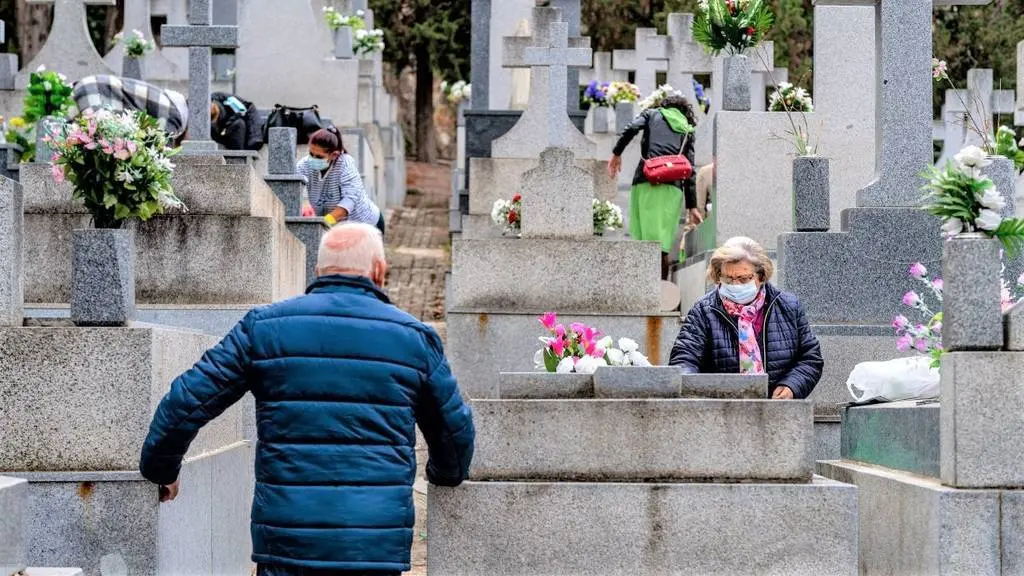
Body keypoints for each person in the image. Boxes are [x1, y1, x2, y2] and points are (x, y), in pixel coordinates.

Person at [139, 222, 475, 576]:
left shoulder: (263, 327)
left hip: (286, 542)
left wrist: (161, 468)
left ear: (317, 272)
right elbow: (455, 433)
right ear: (379, 270)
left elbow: (187, 399)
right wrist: (445, 474)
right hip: (371, 544)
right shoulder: (414, 339)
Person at [669, 236, 823, 400]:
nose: (735, 285)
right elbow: (684, 360)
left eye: (743, 279)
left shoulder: (788, 306)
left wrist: (792, 386)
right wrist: (695, 390)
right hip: (721, 410)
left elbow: (810, 358)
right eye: (727, 278)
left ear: (761, 276)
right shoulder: (703, 311)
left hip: (776, 409)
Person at [608, 93, 701, 280]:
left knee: (644, 241)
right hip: (673, 189)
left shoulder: (651, 114)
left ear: (664, 106)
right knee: (662, 245)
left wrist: (617, 153)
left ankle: (644, 288)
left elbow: (631, 128)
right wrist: (692, 206)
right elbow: (689, 170)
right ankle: (659, 292)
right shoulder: (687, 128)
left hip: (646, 181)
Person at [297, 126, 385, 236]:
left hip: (365, 226)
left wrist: (323, 223)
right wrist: (305, 207)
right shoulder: (304, 165)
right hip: (334, 228)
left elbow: (347, 204)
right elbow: (295, 188)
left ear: (334, 155)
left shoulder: (346, 165)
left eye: (319, 157)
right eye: (311, 154)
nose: (313, 159)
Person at [69, 74, 188, 145]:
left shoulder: (173, 106)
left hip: (89, 85)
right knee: (98, 138)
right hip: (95, 89)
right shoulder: (175, 116)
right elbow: (159, 148)